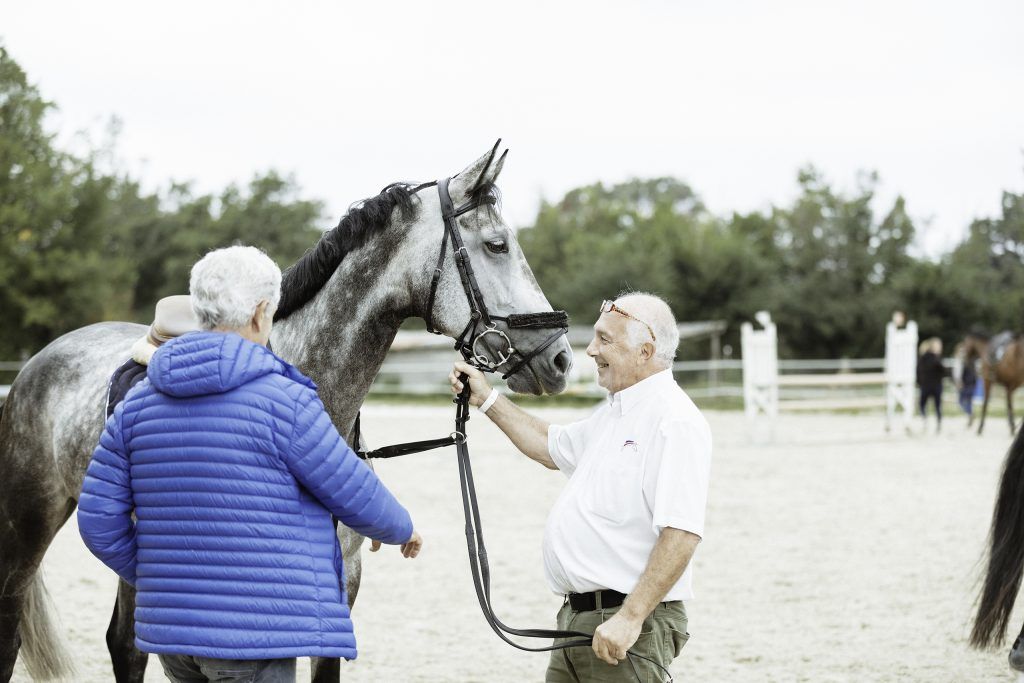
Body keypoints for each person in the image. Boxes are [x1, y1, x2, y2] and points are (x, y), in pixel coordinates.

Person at [78, 246, 422, 683]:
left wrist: (161, 578)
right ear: (261, 313)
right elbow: (348, 484)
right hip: (257, 638)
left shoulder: (137, 405)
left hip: (173, 643)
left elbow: (96, 521)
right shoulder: (286, 400)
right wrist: (400, 527)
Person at [450, 292, 711, 682]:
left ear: (645, 351)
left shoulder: (674, 421)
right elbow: (548, 445)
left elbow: (682, 533)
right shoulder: (614, 413)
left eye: (605, 339)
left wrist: (630, 617)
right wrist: (486, 399)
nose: (590, 350)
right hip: (578, 621)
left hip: (624, 625)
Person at [917, 337, 946, 433]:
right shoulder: (936, 358)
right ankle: (938, 423)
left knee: (922, 404)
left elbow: (918, 371)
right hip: (936, 385)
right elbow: (943, 370)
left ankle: (925, 419)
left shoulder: (923, 358)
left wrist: (919, 383)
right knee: (937, 406)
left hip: (925, 385)